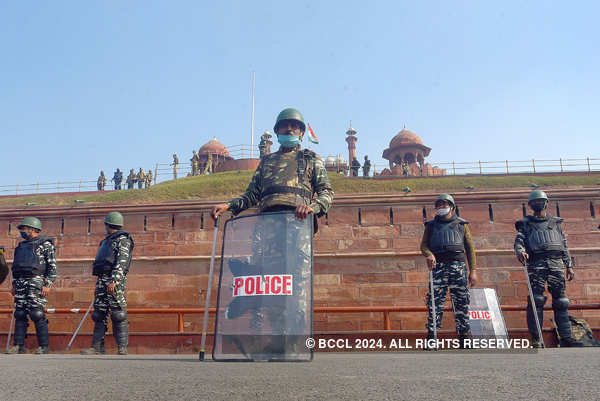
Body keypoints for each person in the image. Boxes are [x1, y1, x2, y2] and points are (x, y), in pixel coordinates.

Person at [211, 107, 334, 355]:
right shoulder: (266, 162)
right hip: (269, 231)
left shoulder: (310, 159)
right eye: (285, 126)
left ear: (301, 132)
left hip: (297, 231)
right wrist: (229, 205)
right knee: (273, 288)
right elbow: (252, 195)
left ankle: (294, 344)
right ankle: (279, 343)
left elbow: (326, 193)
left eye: (295, 127)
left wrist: (312, 207)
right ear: (277, 131)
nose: (290, 130)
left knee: (295, 289)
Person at [514, 190, 583, 347]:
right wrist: (520, 251)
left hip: (556, 263)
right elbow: (518, 242)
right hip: (536, 263)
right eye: (535, 202)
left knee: (561, 301)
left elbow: (564, 245)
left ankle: (566, 337)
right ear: (530, 205)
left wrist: (569, 266)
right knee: (536, 300)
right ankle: (537, 340)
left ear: (546, 203)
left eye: (541, 201)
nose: (538, 204)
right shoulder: (525, 224)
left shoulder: (556, 223)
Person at [420, 194, 478, 348]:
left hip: (458, 267)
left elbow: (470, 248)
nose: (441, 208)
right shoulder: (431, 226)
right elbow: (423, 245)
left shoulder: (461, 224)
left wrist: (473, 271)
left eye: (444, 205)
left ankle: (464, 337)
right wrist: (429, 254)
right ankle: (432, 338)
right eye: (438, 205)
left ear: (452, 206)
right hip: (438, 267)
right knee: (434, 303)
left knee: (461, 302)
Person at [81, 212, 134, 355]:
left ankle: (122, 347)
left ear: (109, 224)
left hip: (113, 280)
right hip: (102, 279)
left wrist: (115, 280)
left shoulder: (123, 240)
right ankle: (97, 347)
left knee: (118, 314)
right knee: (99, 314)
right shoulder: (106, 241)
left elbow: (121, 262)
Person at [6, 217, 57, 354]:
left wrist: (48, 284)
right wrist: (14, 284)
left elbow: (52, 267)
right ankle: (18, 345)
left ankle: (44, 346)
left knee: (37, 314)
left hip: (36, 282)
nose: (21, 231)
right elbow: (15, 267)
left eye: (24, 228)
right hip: (20, 283)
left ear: (32, 229)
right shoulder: (20, 247)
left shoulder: (45, 245)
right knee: (20, 314)